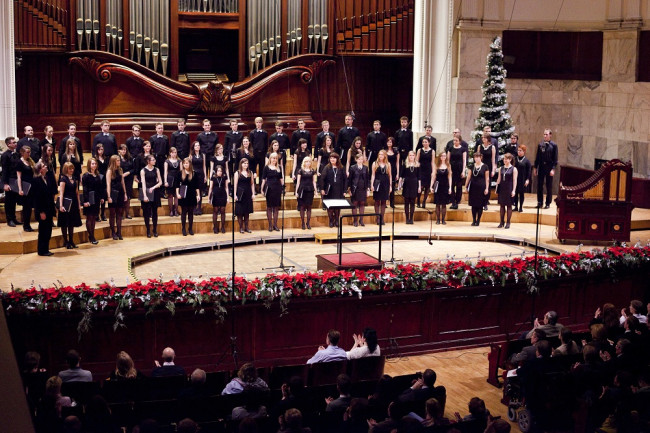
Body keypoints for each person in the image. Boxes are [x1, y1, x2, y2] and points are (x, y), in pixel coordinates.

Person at [32, 161, 57, 256]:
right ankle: (41, 250)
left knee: (48, 230)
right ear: (40, 169)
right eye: (43, 166)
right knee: (43, 231)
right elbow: (37, 198)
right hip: (42, 210)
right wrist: (40, 212)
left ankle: (46, 249)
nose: (46, 166)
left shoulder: (47, 178)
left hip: (49, 209)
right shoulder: (36, 180)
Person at [57, 162, 83, 249]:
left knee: (71, 223)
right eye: (70, 168)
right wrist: (61, 205)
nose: (71, 170)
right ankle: (66, 241)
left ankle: (71, 240)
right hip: (66, 203)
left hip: (74, 203)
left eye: (72, 168)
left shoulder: (75, 179)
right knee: (65, 223)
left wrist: (79, 204)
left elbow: (77, 193)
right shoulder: (63, 179)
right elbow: (61, 193)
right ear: (66, 169)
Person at [533, 129, 558, 209]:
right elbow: (537, 157)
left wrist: (553, 169)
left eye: (546, 134)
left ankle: (548, 203)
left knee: (548, 186)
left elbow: (555, 159)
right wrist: (535, 167)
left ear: (550, 135)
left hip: (549, 168)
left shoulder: (554, 145)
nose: (545, 136)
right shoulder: (540, 145)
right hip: (541, 167)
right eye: (544, 134)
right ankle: (539, 202)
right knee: (539, 185)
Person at [320, 153, 346, 228]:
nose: (332, 159)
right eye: (331, 158)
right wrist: (322, 189)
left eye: (334, 158)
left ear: (337, 159)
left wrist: (344, 190)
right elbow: (322, 179)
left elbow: (345, 180)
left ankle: (337, 220)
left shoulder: (341, 167)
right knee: (330, 206)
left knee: (337, 207)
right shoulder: (327, 167)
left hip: (339, 189)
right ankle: (331, 220)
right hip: (329, 190)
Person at [176, 157, 201, 236]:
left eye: (187, 163)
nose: (185, 164)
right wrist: (177, 194)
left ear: (190, 164)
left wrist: (198, 195)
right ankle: (183, 228)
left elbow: (197, 186)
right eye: (184, 163)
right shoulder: (180, 173)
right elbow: (177, 185)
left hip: (192, 195)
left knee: (191, 213)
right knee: (184, 212)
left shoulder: (194, 173)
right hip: (183, 195)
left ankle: (190, 228)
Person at [81, 158, 104, 244]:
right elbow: (85, 189)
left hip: (96, 198)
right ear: (89, 165)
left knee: (94, 217)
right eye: (92, 164)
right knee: (89, 217)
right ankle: (91, 236)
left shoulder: (98, 175)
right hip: (89, 199)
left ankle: (92, 235)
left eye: (95, 164)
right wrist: (86, 201)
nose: (94, 165)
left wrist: (102, 197)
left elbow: (100, 188)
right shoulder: (86, 176)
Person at [140, 154, 163, 238]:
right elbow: (143, 184)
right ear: (148, 161)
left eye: (154, 160)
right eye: (153, 160)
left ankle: (155, 230)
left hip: (155, 191)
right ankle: (148, 230)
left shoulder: (156, 169)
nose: (155, 161)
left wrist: (153, 188)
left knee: (155, 212)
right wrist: (145, 195)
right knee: (146, 213)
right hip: (146, 192)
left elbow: (160, 182)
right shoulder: (143, 170)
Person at [107, 155, 128, 240]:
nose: (119, 162)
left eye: (119, 160)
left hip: (120, 193)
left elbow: (122, 182)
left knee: (119, 214)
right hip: (112, 193)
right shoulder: (109, 171)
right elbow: (108, 184)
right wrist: (108, 196)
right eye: (118, 161)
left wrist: (125, 193)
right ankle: (113, 232)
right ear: (113, 161)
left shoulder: (120, 170)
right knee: (112, 214)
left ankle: (119, 232)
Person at [465, 152, 489, 226]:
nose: (476, 159)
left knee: (480, 205)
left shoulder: (485, 166)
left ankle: (478, 220)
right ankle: (473, 220)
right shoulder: (472, 166)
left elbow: (487, 178)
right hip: (473, 187)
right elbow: (468, 177)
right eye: (475, 157)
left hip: (481, 187)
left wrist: (487, 188)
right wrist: (466, 186)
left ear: (481, 157)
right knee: (473, 205)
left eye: (478, 157)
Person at [262, 152, 284, 231]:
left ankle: (275, 225)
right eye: (273, 158)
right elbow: (264, 179)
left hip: (277, 189)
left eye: (276, 158)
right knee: (269, 207)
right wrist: (262, 189)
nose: (274, 159)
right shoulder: (266, 168)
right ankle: (270, 225)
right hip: (269, 189)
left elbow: (281, 179)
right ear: (270, 159)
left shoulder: (279, 168)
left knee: (276, 207)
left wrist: (283, 188)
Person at [16, 145, 36, 232]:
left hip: (32, 187)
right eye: (27, 152)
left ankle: (29, 224)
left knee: (31, 206)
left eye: (29, 152)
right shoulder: (19, 162)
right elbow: (19, 177)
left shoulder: (30, 161)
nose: (29, 154)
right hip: (25, 188)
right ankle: (26, 225)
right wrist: (20, 189)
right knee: (26, 207)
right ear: (22, 153)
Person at [2, 136, 20, 227]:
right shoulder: (5, 155)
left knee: (14, 201)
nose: (15, 144)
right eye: (13, 142)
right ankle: (9, 220)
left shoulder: (16, 154)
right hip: (9, 181)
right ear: (9, 144)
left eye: (15, 142)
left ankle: (14, 218)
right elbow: (5, 170)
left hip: (16, 180)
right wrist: (5, 183)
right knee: (9, 201)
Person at [495, 153, 518, 229]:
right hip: (502, 188)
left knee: (509, 205)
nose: (505, 160)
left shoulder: (514, 169)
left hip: (509, 188)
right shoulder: (501, 168)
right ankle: (501, 222)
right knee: (501, 205)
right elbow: (499, 179)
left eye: (506, 159)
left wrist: (514, 190)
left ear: (510, 160)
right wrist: (496, 188)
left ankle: (508, 222)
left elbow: (515, 180)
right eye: (504, 159)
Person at [348, 152, 370, 227]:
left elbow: (367, 180)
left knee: (362, 204)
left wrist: (368, 189)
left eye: (361, 159)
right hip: (355, 189)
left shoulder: (365, 168)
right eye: (359, 159)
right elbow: (350, 180)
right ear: (356, 159)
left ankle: (361, 220)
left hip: (363, 188)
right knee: (354, 204)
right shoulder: (352, 168)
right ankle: (355, 221)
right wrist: (349, 190)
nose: (360, 160)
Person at [234, 158, 255, 233]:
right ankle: (241, 228)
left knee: (246, 212)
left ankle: (246, 227)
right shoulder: (237, 173)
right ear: (241, 164)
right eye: (244, 163)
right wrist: (235, 195)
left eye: (247, 163)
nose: (246, 165)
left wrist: (253, 193)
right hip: (240, 194)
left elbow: (252, 184)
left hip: (248, 193)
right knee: (240, 212)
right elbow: (235, 185)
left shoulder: (250, 173)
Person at [295, 156, 317, 230]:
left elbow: (314, 181)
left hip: (310, 190)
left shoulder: (312, 171)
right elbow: (298, 182)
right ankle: (302, 223)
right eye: (306, 161)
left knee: (309, 207)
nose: (308, 163)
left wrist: (316, 191)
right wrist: (296, 191)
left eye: (309, 161)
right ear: (304, 162)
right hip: (302, 190)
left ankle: (308, 222)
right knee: (302, 207)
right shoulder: (300, 170)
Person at [399, 150, 420, 225]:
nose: (411, 157)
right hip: (407, 184)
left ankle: (411, 218)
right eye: (410, 155)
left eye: (412, 155)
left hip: (414, 184)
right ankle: (407, 218)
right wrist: (399, 184)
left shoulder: (417, 165)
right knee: (406, 202)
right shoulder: (405, 164)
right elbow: (401, 175)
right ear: (408, 156)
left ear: (415, 156)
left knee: (412, 202)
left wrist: (419, 187)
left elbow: (419, 177)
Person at [208, 164, 229, 234]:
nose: (220, 172)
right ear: (216, 171)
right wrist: (209, 197)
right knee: (215, 211)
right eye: (218, 171)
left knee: (223, 210)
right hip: (215, 195)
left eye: (221, 171)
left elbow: (226, 187)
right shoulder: (213, 177)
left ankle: (223, 227)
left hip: (223, 195)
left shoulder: (224, 177)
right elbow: (210, 188)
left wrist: (228, 197)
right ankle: (215, 227)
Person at [447, 135, 467, 209]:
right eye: (454, 140)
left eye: (456, 140)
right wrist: (449, 169)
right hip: (452, 168)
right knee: (451, 186)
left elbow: (464, 161)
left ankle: (457, 201)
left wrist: (463, 171)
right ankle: (453, 202)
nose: (455, 142)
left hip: (459, 168)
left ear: (460, 141)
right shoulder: (450, 148)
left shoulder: (463, 149)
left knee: (459, 186)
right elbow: (448, 160)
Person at [431, 152, 452, 225]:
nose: (443, 157)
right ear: (439, 157)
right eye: (442, 156)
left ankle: (443, 220)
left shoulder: (448, 165)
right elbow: (433, 177)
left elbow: (450, 177)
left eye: (444, 156)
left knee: (444, 204)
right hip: (438, 185)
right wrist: (431, 186)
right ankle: (437, 220)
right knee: (437, 204)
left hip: (445, 185)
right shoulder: (436, 165)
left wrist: (450, 187)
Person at [371, 150, 391, 225]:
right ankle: (377, 218)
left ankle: (382, 218)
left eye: (382, 154)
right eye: (379, 154)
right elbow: (373, 175)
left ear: (385, 155)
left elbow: (390, 175)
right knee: (377, 201)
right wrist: (372, 185)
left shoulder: (388, 164)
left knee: (383, 201)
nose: (380, 156)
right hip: (377, 183)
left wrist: (390, 186)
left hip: (385, 183)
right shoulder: (375, 163)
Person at [477, 134, 496, 211]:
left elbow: (493, 159)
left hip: (489, 167)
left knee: (487, 185)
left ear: (488, 139)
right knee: (481, 184)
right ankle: (480, 201)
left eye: (484, 138)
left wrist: (493, 170)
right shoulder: (479, 147)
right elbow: (477, 157)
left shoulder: (492, 147)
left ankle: (485, 202)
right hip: (481, 167)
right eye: (482, 138)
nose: (483, 139)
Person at [118, 144, 136, 219]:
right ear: (119, 150)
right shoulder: (117, 158)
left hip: (128, 179)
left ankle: (127, 213)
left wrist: (128, 173)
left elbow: (133, 168)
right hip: (120, 179)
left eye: (125, 150)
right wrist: (121, 174)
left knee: (127, 196)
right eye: (122, 149)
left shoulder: (130, 158)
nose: (123, 151)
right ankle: (121, 214)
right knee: (121, 196)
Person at [415, 137, 434, 208]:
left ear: (429, 143)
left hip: (428, 170)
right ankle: (418, 201)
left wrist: (433, 171)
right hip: (421, 169)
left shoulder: (432, 151)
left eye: (426, 142)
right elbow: (417, 160)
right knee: (421, 186)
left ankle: (424, 202)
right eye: (423, 142)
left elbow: (432, 162)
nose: (424, 143)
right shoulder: (419, 150)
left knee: (427, 187)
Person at [249, 117, 268, 184]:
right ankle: (253, 185)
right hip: (254, 154)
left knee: (262, 170)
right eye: (257, 122)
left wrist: (265, 154)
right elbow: (250, 144)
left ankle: (261, 185)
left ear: (262, 123)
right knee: (253, 169)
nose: (258, 124)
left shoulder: (265, 133)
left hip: (262, 154)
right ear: (255, 123)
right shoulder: (252, 133)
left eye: (259, 122)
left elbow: (266, 144)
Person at [190, 141, 207, 213]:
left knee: (200, 191)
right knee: (194, 191)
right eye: (196, 145)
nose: (198, 147)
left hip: (201, 174)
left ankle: (199, 208)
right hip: (194, 174)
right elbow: (190, 167)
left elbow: (204, 166)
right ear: (193, 147)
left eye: (198, 145)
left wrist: (205, 176)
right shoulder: (191, 156)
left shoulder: (203, 155)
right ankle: (194, 208)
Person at [514, 145, 532, 212]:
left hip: (522, 179)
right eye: (518, 150)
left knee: (521, 193)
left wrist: (527, 179)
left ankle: (520, 207)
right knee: (515, 193)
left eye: (520, 150)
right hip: (515, 179)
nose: (519, 152)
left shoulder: (527, 161)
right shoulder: (515, 159)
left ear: (524, 151)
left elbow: (529, 171)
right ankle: (515, 206)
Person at [164, 147, 181, 216]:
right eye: (173, 152)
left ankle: (176, 211)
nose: (174, 154)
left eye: (175, 152)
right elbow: (165, 172)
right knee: (170, 196)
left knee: (176, 195)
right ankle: (171, 211)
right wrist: (165, 181)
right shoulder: (167, 161)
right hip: (170, 179)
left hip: (177, 179)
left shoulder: (179, 161)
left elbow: (181, 171)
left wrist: (181, 181)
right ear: (170, 153)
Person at [94, 143, 109, 221]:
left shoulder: (106, 158)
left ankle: (103, 214)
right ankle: (96, 214)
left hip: (105, 179)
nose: (101, 151)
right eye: (99, 150)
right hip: (97, 179)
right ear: (97, 150)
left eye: (102, 149)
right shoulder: (95, 159)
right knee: (98, 197)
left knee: (104, 197)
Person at [386, 137, 400, 208]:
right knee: (385, 186)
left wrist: (397, 173)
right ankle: (384, 202)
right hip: (385, 170)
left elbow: (397, 163)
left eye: (390, 142)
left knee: (392, 186)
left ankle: (392, 203)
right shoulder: (384, 151)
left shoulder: (396, 152)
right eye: (388, 142)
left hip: (394, 170)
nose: (389, 143)